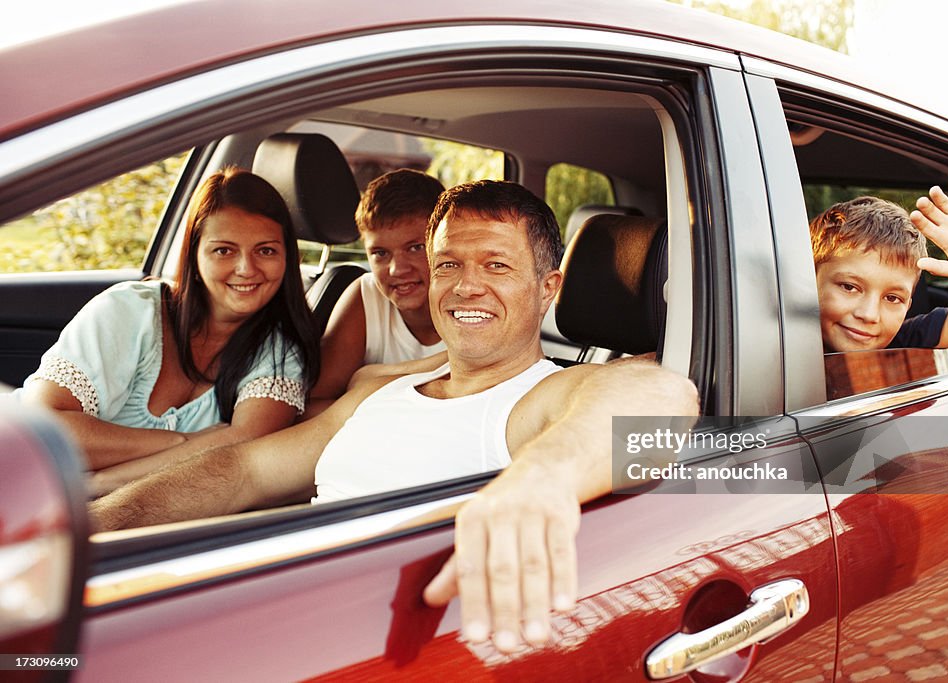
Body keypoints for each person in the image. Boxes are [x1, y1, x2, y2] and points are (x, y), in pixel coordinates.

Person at [91, 179, 699, 653]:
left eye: (496, 265)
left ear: (548, 289)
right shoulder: (378, 391)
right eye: (448, 265)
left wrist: (541, 485)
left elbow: (661, 403)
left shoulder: (547, 399)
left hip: (377, 639)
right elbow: (245, 470)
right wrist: (98, 526)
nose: (465, 287)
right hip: (271, 612)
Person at [19, 168, 320, 493]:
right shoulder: (127, 310)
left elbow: (241, 451)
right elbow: (44, 431)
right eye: (224, 250)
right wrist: (184, 441)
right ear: (194, 253)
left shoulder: (280, 354)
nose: (246, 269)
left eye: (266, 250)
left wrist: (100, 483)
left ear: (288, 258)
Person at [810, 175, 948, 352]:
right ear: (809, 282)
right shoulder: (778, 342)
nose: (869, 314)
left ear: (908, 305)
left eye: (893, 298)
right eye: (849, 287)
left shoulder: (906, 343)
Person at [309, 169, 446, 415]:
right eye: (380, 253)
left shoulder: (474, 301)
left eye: (415, 247)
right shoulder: (366, 296)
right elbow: (314, 404)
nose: (397, 269)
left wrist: (367, 380)